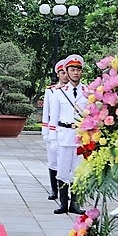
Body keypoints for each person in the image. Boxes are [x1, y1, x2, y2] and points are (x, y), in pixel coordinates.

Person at [48, 54, 87, 215]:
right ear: (66, 71)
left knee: (78, 171)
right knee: (63, 171)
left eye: (78, 69)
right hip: (64, 135)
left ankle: (75, 204)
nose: (75, 73)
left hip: (80, 136)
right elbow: (54, 117)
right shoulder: (59, 92)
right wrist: (52, 139)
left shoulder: (87, 91)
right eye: (72, 69)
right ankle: (63, 203)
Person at [42, 60, 68, 201]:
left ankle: (65, 192)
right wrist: (45, 131)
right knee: (53, 161)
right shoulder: (50, 90)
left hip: (67, 130)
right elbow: (47, 112)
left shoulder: (74, 91)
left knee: (66, 163)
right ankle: (54, 190)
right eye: (62, 73)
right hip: (54, 130)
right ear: (57, 74)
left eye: (66, 72)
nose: (64, 76)